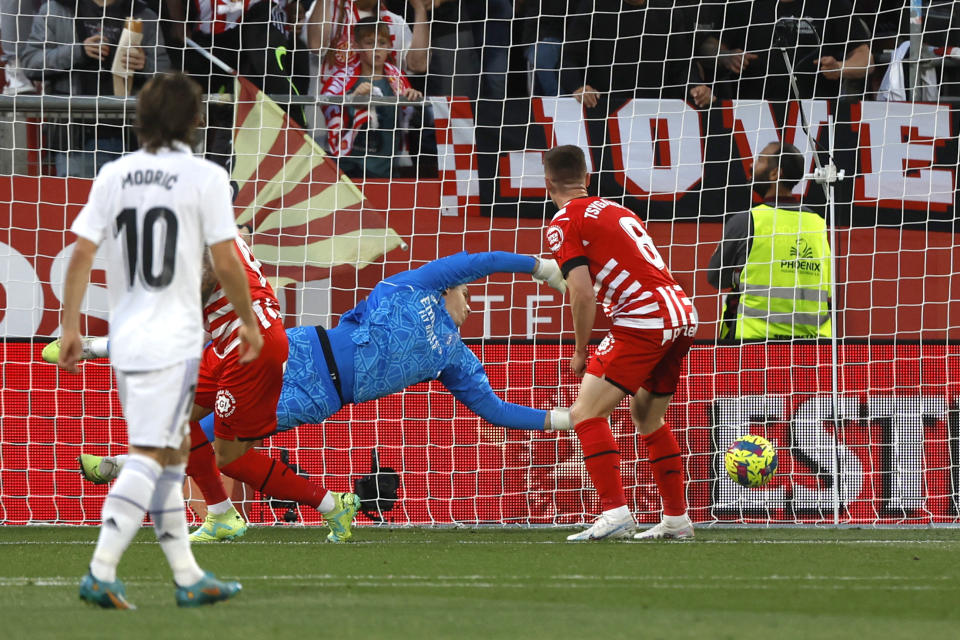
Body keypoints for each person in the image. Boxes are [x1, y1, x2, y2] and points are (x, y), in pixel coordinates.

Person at [58, 251, 572, 537]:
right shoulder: (413, 286)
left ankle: (134, 463)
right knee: (195, 399)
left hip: (315, 395)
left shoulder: (456, 358)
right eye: (465, 292)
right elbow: (475, 259)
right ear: (449, 288)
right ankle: (132, 456)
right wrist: (540, 268)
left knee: (217, 438)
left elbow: (495, 410)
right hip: (305, 347)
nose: (469, 302)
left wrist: (561, 419)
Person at [58, 72, 258, 608]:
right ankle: (101, 570)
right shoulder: (206, 178)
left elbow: (80, 253)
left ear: (140, 119)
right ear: (195, 121)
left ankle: (189, 578)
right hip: (171, 338)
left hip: (129, 335)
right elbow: (224, 261)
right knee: (150, 456)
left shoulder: (115, 173)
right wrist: (247, 319)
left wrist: (72, 325)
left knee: (170, 455)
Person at [542, 145, 698, 541]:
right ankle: (677, 519)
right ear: (588, 178)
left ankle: (615, 512)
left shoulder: (563, 222)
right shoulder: (617, 209)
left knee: (584, 413)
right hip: (682, 314)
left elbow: (581, 293)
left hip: (642, 321)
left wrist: (580, 350)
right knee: (647, 417)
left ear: (547, 185)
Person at [20, 0, 171, 177]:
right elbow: (31, 63)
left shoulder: (144, 15)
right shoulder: (56, 9)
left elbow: (166, 79)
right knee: (76, 204)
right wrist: (79, 52)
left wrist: (145, 65)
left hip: (130, 141)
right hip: (74, 142)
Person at [706, 141, 832, 340]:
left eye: (760, 160)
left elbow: (715, 277)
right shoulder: (818, 224)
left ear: (775, 173)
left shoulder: (747, 221)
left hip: (753, 345)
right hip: (813, 348)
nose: (752, 165)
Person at [703, 0, 872, 103]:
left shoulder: (832, 5)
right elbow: (706, 47)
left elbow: (866, 59)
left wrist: (840, 67)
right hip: (753, 111)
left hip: (816, 111)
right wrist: (725, 56)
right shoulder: (742, 5)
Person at [562, 0, 714, 112]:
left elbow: (682, 65)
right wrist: (578, 86)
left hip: (654, 110)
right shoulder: (593, 7)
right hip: (602, 108)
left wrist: (696, 86)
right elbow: (569, 57)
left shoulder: (669, 10)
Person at [321, 17, 422, 178]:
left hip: (387, 171)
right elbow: (326, 104)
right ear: (356, 46)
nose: (377, 49)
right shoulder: (342, 78)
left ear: (389, 47)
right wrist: (352, 98)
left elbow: (412, 119)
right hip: (347, 170)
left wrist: (414, 100)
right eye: (369, 43)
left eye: (382, 43)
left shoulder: (398, 79)